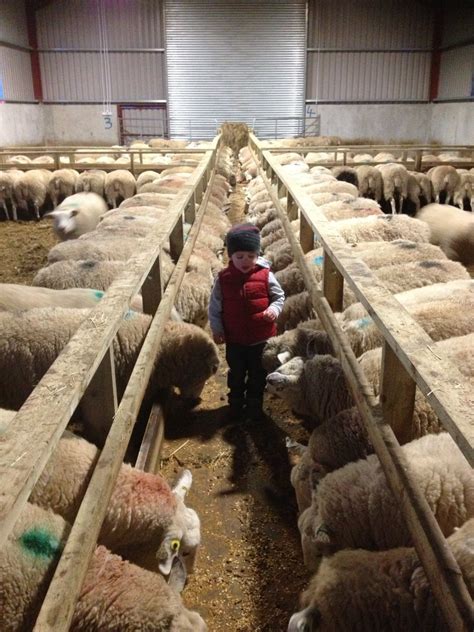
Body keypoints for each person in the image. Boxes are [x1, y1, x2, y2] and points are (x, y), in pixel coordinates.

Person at [208, 223, 285, 421]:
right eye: (240, 256)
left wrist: (273, 310)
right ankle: (235, 403)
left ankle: (254, 404)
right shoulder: (223, 279)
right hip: (235, 338)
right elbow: (215, 307)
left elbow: (279, 296)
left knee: (258, 373)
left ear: (257, 255)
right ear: (230, 256)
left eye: (251, 256)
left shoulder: (266, 275)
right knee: (236, 372)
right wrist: (217, 329)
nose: (245, 261)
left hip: (262, 337)